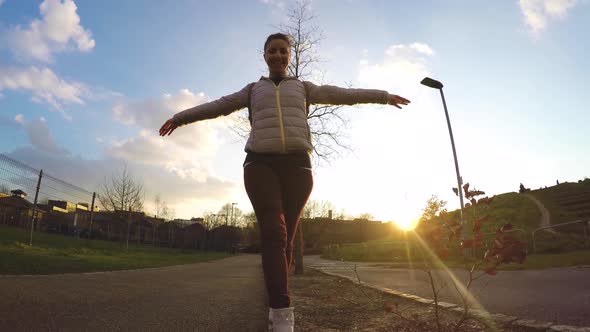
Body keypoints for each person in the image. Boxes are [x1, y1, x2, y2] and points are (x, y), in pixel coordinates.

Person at [159, 32, 410, 332]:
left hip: (298, 167)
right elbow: (217, 105)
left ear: (289, 56)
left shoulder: (303, 88)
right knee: (274, 233)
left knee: (286, 239)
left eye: (283, 51)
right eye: (272, 51)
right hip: (259, 164)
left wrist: (382, 96)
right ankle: (281, 313)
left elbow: (343, 94)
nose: (278, 55)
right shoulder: (252, 90)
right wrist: (180, 117)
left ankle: (275, 301)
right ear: (264, 56)